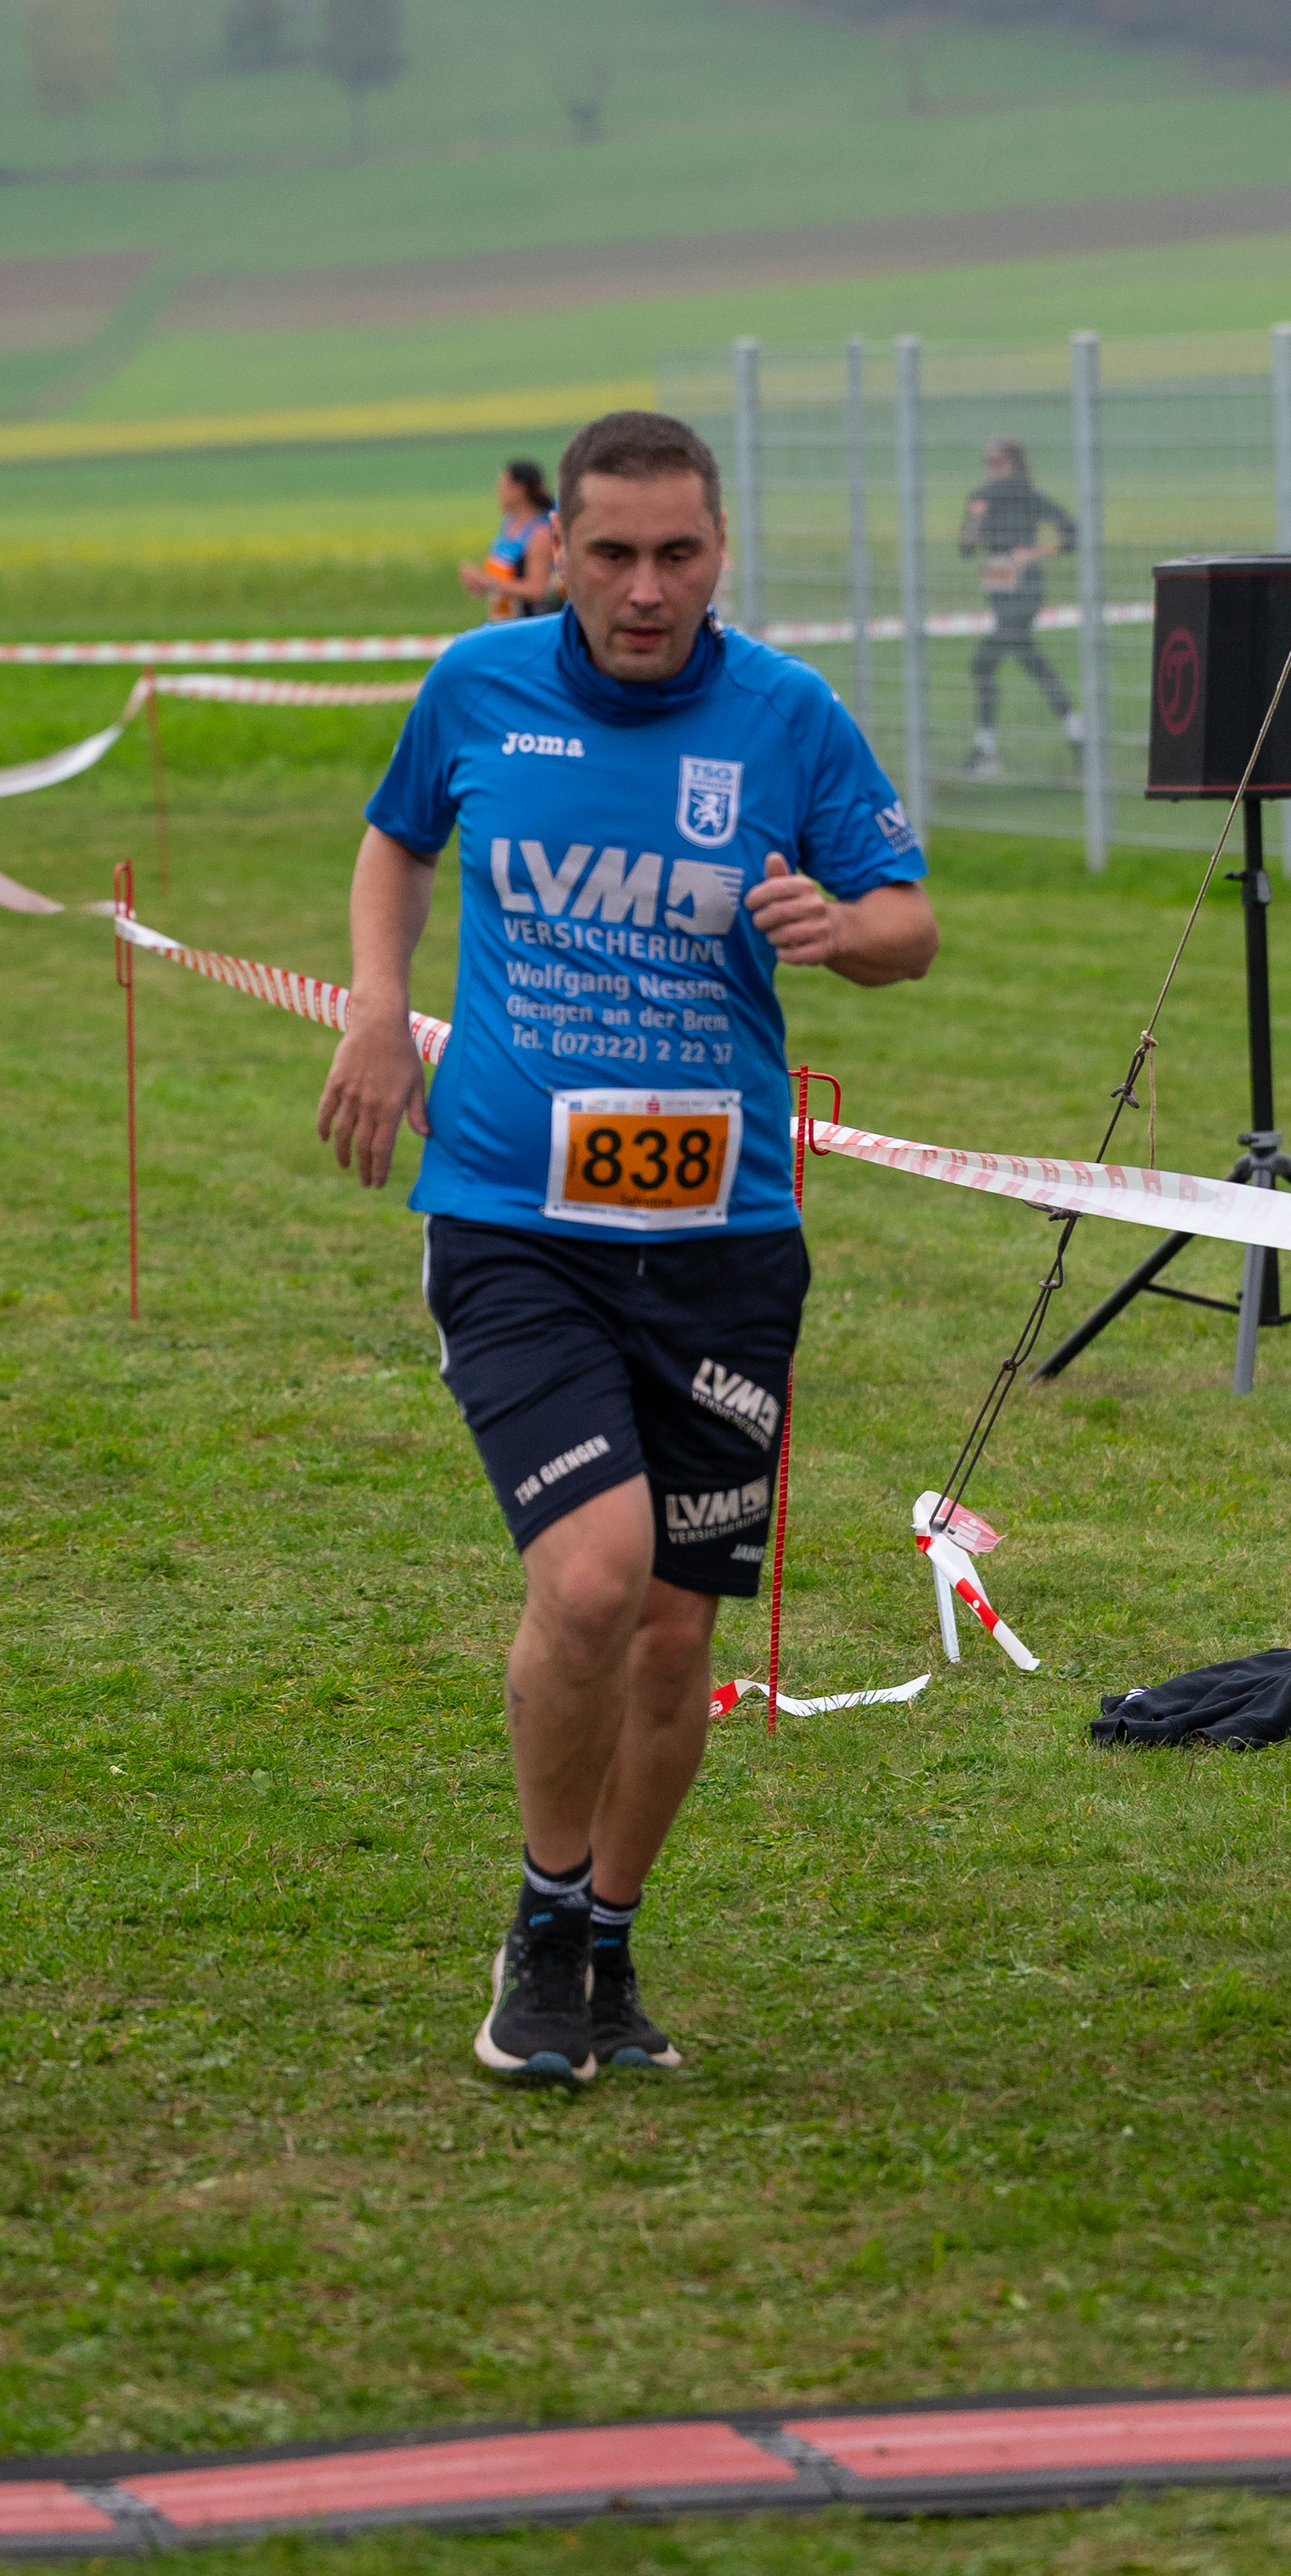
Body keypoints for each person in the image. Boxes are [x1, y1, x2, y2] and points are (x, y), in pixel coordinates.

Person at [318, 409, 937, 2085]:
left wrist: (842, 927)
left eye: (676, 554)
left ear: (719, 551)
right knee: (591, 1574)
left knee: (673, 1630)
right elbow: (396, 838)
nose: (645, 588)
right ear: (557, 554)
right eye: (611, 554)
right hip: (516, 1221)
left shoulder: (787, 715)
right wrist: (376, 1003)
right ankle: (539, 1921)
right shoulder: (477, 685)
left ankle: (604, 1940)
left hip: (725, 1241)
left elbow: (910, 922)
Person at [957, 435, 1082, 779]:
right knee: (1030, 660)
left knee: (984, 662)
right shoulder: (982, 498)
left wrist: (1033, 553)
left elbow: (1072, 535)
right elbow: (966, 548)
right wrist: (975, 520)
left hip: (1026, 590)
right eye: (987, 462)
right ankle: (1076, 731)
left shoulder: (1028, 497)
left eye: (997, 462)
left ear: (1013, 462)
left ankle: (985, 751)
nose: (992, 469)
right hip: (999, 590)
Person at [458, 460, 559, 623]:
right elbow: (503, 577)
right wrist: (480, 583)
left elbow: (537, 590)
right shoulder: (508, 524)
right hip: (502, 619)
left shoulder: (539, 533)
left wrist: (489, 584)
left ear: (520, 489)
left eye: (502, 485)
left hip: (529, 624)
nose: (498, 491)